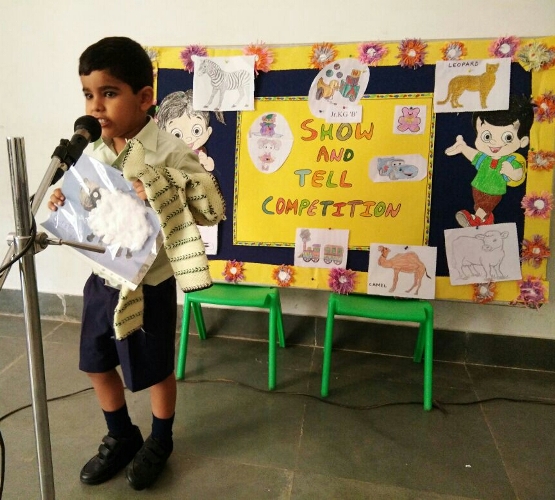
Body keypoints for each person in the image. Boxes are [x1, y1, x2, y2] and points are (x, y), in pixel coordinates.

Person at [48, 36, 222, 490]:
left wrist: (164, 184)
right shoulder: (92, 151)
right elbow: (86, 199)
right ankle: (121, 434)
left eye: (108, 93)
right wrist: (62, 198)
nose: (96, 106)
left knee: (155, 368)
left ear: (144, 97)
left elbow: (209, 204)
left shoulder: (169, 150)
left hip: (150, 283)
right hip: (102, 278)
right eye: (88, 94)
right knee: (95, 362)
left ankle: (161, 440)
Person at [445, 94, 534, 227]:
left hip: (494, 191)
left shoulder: (510, 160)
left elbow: (519, 175)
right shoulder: (485, 158)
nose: (493, 142)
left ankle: (475, 220)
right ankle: (485, 221)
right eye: (486, 136)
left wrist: (512, 172)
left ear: (523, 141)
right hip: (477, 187)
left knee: (484, 207)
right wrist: (463, 148)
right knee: (479, 205)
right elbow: (474, 155)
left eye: (508, 137)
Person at [155, 89, 225, 172]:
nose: (188, 138)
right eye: (177, 134)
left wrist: (205, 162)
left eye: (196, 131)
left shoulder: (200, 154)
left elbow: (210, 167)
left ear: (208, 131)